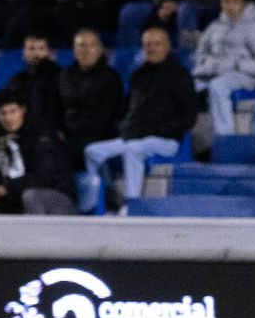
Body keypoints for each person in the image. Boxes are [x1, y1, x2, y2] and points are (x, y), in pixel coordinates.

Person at [84, 26, 200, 204]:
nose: (152, 48)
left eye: (156, 44)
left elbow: (189, 116)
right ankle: (106, 199)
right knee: (92, 152)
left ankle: (132, 204)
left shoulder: (180, 75)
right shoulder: (138, 75)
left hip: (166, 140)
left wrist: (161, 129)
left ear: (167, 46)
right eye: (147, 45)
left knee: (133, 150)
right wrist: (124, 127)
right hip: (134, 136)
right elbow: (127, 108)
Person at [0, 88, 77, 215]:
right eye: (3, 113)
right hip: (14, 195)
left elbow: (43, 177)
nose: (8, 118)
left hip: (56, 196)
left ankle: (33, 235)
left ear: (22, 110)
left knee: (31, 196)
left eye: (13, 111)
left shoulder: (42, 135)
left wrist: (3, 189)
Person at [192, 0, 255, 143]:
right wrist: (207, 65)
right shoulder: (214, 27)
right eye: (226, 1)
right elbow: (201, 53)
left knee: (218, 86)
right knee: (182, 85)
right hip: (214, 71)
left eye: (235, 1)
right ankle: (193, 141)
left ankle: (225, 138)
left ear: (243, 4)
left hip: (245, 75)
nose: (230, 5)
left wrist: (238, 65)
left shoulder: (254, 28)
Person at [57, 29, 124, 167]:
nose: (86, 50)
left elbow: (104, 119)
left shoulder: (110, 78)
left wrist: (69, 134)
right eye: (81, 46)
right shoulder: (64, 76)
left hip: (98, 136)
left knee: (60, 152)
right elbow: (56, 108)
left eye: (91, 45)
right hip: (68, 134)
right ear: (74, 50)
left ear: (100, 50)